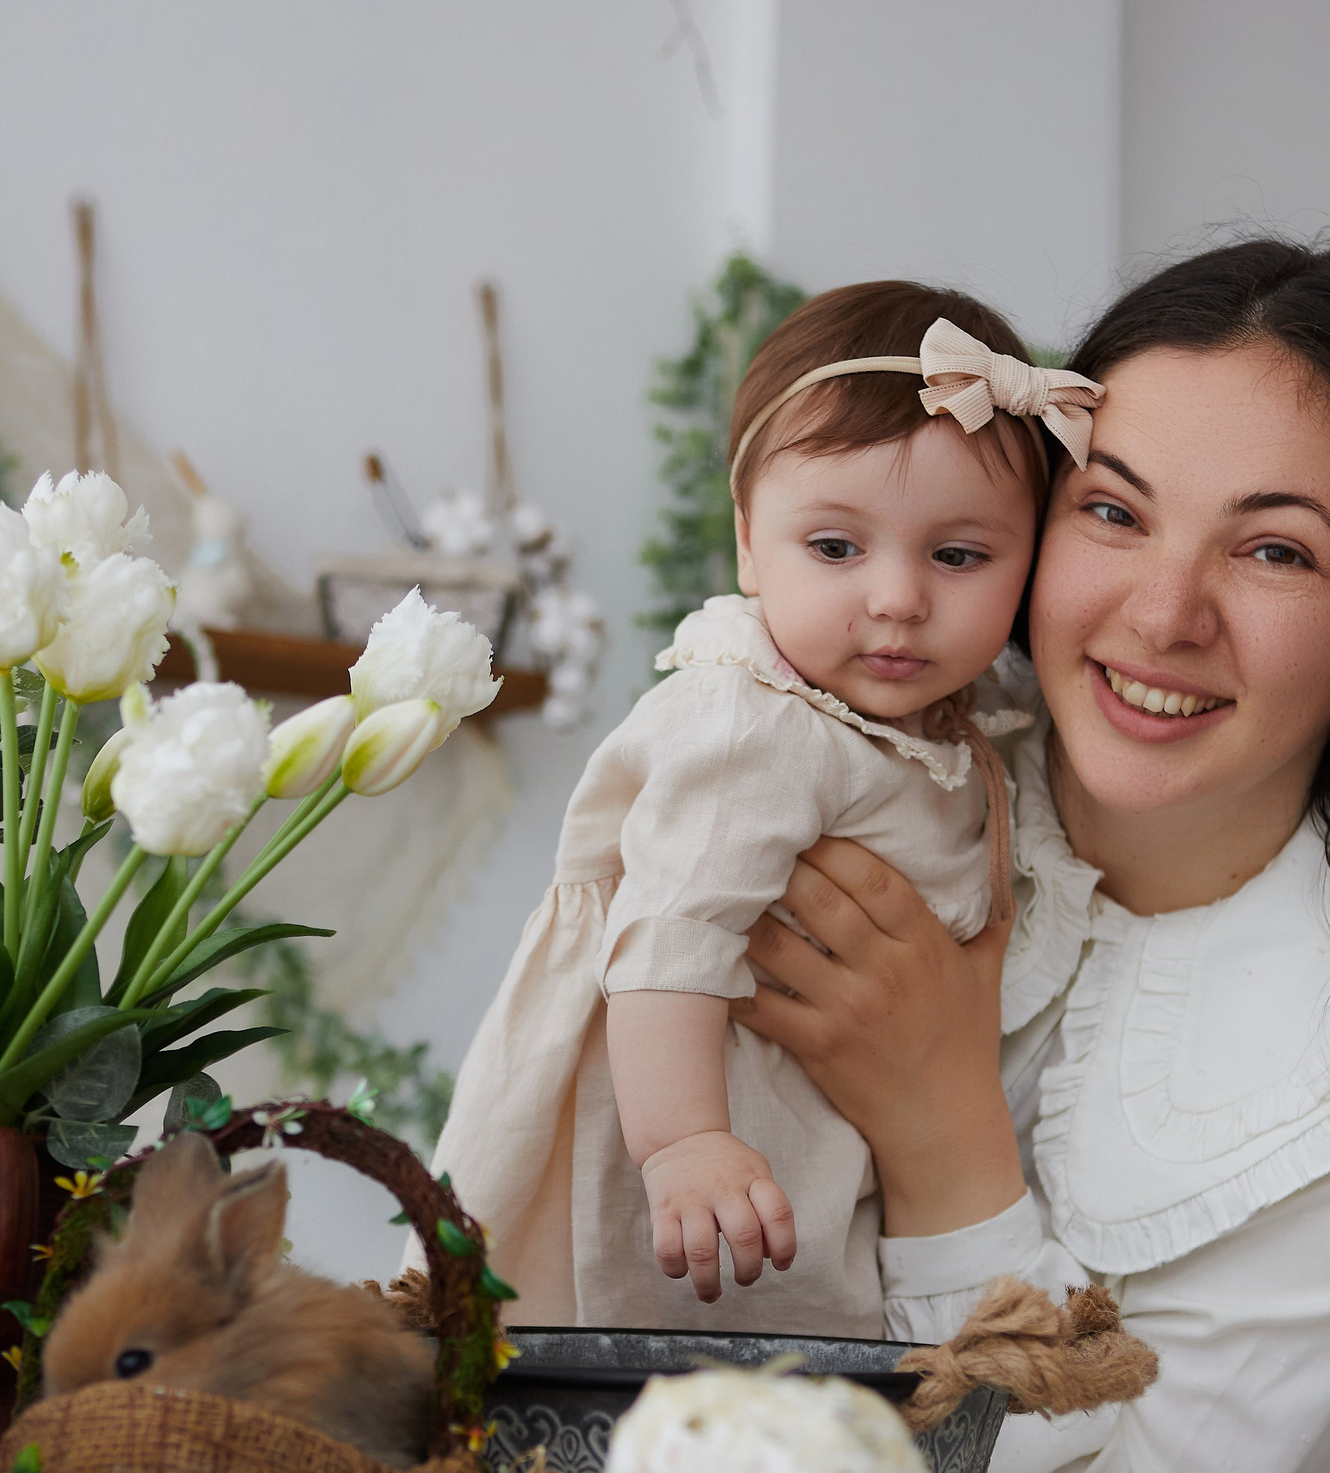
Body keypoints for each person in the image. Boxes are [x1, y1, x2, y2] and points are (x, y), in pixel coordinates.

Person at [732, 238, 1330, 1473]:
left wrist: (941, 1128)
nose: (1162, 613)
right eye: (1113, 511)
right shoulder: (862, 786)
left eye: (1274, 548)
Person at [424, 281, 1101, 1336]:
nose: (895, 599)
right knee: (662, 1358)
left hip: (825, 1138)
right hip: (683, 1122)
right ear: (749, 546)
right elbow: (667, 944)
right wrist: (683, 1141)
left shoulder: (965, 725)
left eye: (957, 556)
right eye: (834, 548)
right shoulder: (752, 725)